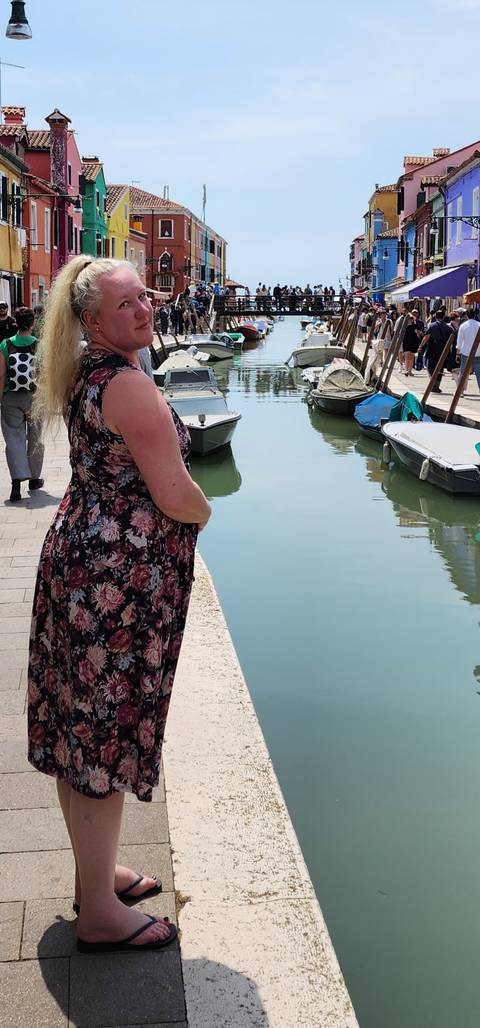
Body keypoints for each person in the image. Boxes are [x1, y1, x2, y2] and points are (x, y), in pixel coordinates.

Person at [28, 255, 211, 953]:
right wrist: (204, 515)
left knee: (80, 728)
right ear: (94, 321)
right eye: (126, 303)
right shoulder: (130, 385)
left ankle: (93, 883)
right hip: (120, 583)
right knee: (104, 732)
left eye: (146, 295)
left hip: (78, 560)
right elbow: (173, 491)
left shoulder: (86, 375)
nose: (144, 308)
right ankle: (102, 915)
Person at [0, 306, 44, 502]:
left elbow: (1, 374)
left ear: (16, 323)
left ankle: (16, 483)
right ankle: (34, 479)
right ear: (33, 323)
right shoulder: (39, 345)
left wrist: (1, 397)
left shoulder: (5, 344)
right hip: (34, 397)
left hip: (11, 397)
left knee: (14, 439)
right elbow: (44, 374)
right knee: (35, 438)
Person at [419, 310, 452, 392]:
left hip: (433, 347)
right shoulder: (448, 327)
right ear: (443, 317)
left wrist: (421, 346)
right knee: (440, 367)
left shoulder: (431, 326)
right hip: (444, 348)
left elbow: (426, 337)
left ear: (436, 317)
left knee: (430, 365)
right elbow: (451, 340)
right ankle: (436, 385)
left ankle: (433, 383)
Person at [456, 307, 480, 392]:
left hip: (466, 352)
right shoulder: (479, 325)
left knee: (463, 373)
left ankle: (460, 390)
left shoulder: (463, 326)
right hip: (478, 353)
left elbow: (459, 341)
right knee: (479, 373)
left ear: (466, 315)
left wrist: (457, 353)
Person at [402, 308, 423, 377]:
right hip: (406, 342)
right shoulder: (404, 326)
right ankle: (406, 370)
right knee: (407, 356)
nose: (410, 320)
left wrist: (417, 333)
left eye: (411, 319)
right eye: (409, 319)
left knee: (411, 357)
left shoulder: (415, 326)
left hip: (413, 342)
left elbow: (418, 335)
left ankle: (410, 370)